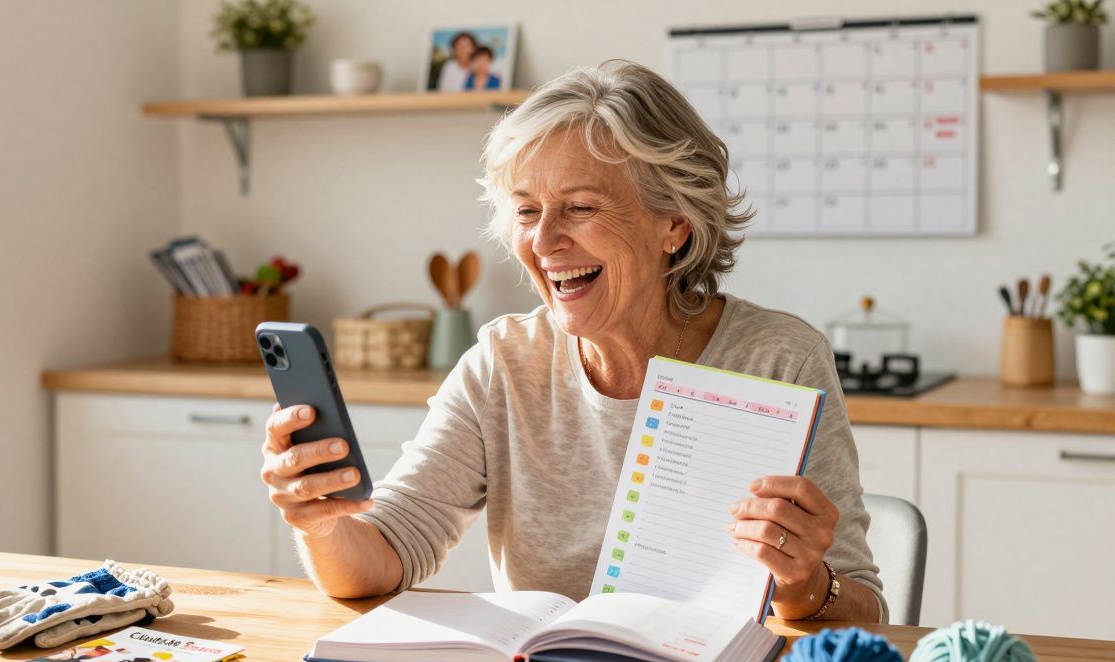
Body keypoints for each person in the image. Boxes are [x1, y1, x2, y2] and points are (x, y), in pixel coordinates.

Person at [261, 60, 886, 623]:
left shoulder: (778, 361)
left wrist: (803, 584)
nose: (544, 241)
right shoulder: (503, 363)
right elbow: (380, 558)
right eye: (527, 211)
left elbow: (866, 611)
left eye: (581, 208)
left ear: (674, 224)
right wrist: (320, 521)